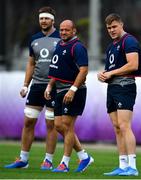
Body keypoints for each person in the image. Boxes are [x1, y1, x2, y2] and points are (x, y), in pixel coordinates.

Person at [4, 6, 60, 170]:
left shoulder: (61, 37)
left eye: (46, 18)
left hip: (55, 87)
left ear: (52, 20)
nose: (43, 21)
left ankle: (48, 160)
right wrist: (25, 85)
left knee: (51, 125)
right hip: (36, 86)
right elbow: (31, 63)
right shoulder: (34, 39)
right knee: (28, 121)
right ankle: (23, 159)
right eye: (41, 18)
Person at [44, 20, 94, 172]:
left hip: (73, 91)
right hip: (59, 91)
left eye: (67, 30)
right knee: (58, 126)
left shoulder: (78, 47)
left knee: (67, 125)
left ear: (74, 31)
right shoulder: (60, 44)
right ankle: (84, 156)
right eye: (61, 29)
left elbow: (84, 70)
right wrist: (50, 85)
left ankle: (64, 163)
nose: (63, 32)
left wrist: (73, 89)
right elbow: (56, 68)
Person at [97, 13, 141, 176]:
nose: (111, 30)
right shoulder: (111, 46)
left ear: (121, 24)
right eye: (109, 27)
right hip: (113, 88)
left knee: (124, 126)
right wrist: (103, 74)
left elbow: (133, 64)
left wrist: (112, 73)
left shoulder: (129, 41)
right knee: (117, 128)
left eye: (114, 26)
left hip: (125, 86)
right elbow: (112, 70)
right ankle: (122, 166)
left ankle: (133, 167)